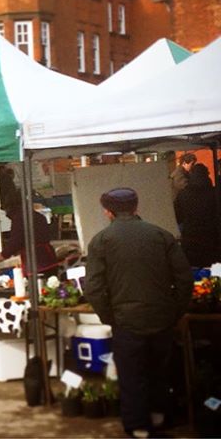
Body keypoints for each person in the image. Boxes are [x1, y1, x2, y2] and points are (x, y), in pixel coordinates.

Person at [85, 187, 193, 439]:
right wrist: (174, 311)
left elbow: (93, 287)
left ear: (107, 212)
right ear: (136, 208)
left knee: (132, 377)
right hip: (161, 319)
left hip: (126, 322)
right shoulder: (162, 236)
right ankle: (160, 419)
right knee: (159, 373)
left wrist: (109, 316)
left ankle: (140, 429)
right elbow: (185, 279)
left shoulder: (101, 241)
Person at [0, 190, 57, 277]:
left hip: (36, 263)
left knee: (38, 287)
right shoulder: (39, 216)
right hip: (50, 258)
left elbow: (16, 240)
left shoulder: (20, 218)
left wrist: (3, 254)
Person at [174, 163, 221, 267]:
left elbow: (177, 217)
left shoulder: (183, 195)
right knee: (214, 273)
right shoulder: (214, 193)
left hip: (190, 238)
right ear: (207, 175)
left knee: (195, 273)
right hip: (212, 239)